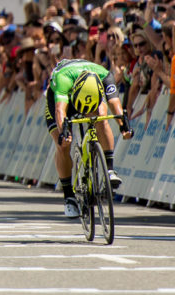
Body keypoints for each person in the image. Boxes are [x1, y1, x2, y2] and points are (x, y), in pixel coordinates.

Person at [44, 59, 133, 219]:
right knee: (63, 144)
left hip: (92, 94)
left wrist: (123, 126)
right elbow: (60, 110)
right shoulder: (63, 80)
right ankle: (69, 196)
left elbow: (115, 103)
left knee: (102, 117)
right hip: (62, 100)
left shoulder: (105, 76)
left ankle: (110, 169)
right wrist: (64, 132)